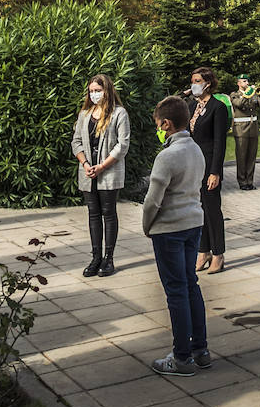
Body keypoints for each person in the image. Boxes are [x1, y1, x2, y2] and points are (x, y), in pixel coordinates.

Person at [144, 95, 210, 377]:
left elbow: (153, 200)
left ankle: (181, 356)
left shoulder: (167, 156)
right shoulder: (195, 149)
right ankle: (200, 350)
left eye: (158, 125)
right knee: (190, 285)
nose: (158, 129)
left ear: (167, 124)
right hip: (193, 224)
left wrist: (147, 226)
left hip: (169, 228)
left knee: (176, 292)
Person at [72, 74, 131, 277]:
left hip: (109, 171)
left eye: (98, 90)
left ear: (107, 90)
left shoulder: (119, 113)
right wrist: (86, 164)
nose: (94, 94)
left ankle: (109, 258)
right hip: (88, 171)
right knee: (93, 214)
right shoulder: (85, 114)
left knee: (109, 212)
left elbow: (122, 145)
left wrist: (102, 166)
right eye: (91, 91)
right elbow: (76, 142)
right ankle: (95, 257)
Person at [186, 67, 229, 275]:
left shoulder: (217, 107)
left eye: (197, 81)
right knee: (198, 210)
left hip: (209, 164)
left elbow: (220, 142)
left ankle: (218, 254)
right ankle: (203, 251)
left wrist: (215, 172)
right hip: (193, 165)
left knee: (212, 210)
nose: (194, 84)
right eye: (192, 80)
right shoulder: (190, 105)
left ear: (208, 83)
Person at [229, 75, 260, 190]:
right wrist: (247, 94)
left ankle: (250, 181)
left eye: (247, 81)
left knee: (251, 156)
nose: (247, 83)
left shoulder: (253, 93)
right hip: (241, 129)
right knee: (242, 156)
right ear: (239, 83)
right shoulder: (234, 95)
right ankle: (242, 181)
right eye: (244, 81)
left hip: (253, 128)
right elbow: (239, 104)